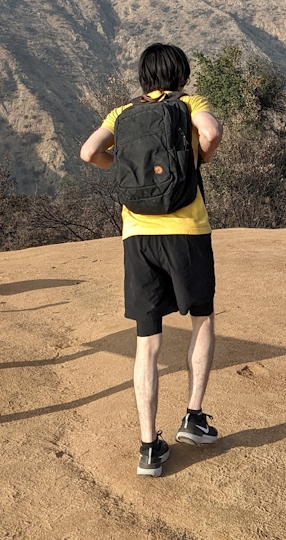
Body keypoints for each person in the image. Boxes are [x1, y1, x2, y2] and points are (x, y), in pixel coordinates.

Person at [80, 43, 224, 477]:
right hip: (186, 233)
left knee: (148, 341)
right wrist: (199, 158)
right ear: (180, 74)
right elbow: (211, 133)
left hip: (137, 234)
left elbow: (88, 153)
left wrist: (121, 169)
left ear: (144, 77)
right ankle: (194, 419)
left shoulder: (121, 114)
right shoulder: (189, 103)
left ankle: (148, 447)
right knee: (202, 319)